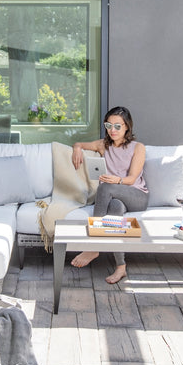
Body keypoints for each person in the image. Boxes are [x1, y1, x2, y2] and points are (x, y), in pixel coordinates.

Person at [70, 106, 148, 284]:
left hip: (136, 195)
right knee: (115, 208)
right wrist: (76, 148)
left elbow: (131, 179)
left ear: (127, 126)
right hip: (117, 198)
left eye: (118, 126)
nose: (112, 130)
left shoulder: (138, 147)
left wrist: (115, 180)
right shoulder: (103, 145)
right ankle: (121, 267)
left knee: (104, 187)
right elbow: (80, 144)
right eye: (109, 125)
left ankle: (94, 245)